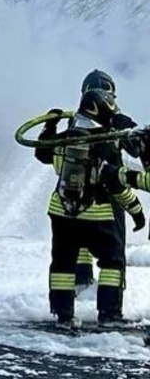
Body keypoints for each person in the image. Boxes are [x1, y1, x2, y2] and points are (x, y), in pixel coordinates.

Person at [34, 87, 145, 327]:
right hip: (99, 214)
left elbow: (42, 154)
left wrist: (49, 126)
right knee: (112, 262)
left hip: (62, 212)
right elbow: (116, 183)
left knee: (62, 263)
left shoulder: (66, 138)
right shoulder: (105, 141)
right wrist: (136, 210)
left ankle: (63, 314)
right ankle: (109, 314)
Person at [74, 70, 142, 290]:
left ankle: (81, 285)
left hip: (74, 198)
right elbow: (133, 152)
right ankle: (110, 304)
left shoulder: (75, 125)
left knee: (79, 242)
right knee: (113, 254)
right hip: (109, 197)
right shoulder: (110, 125)